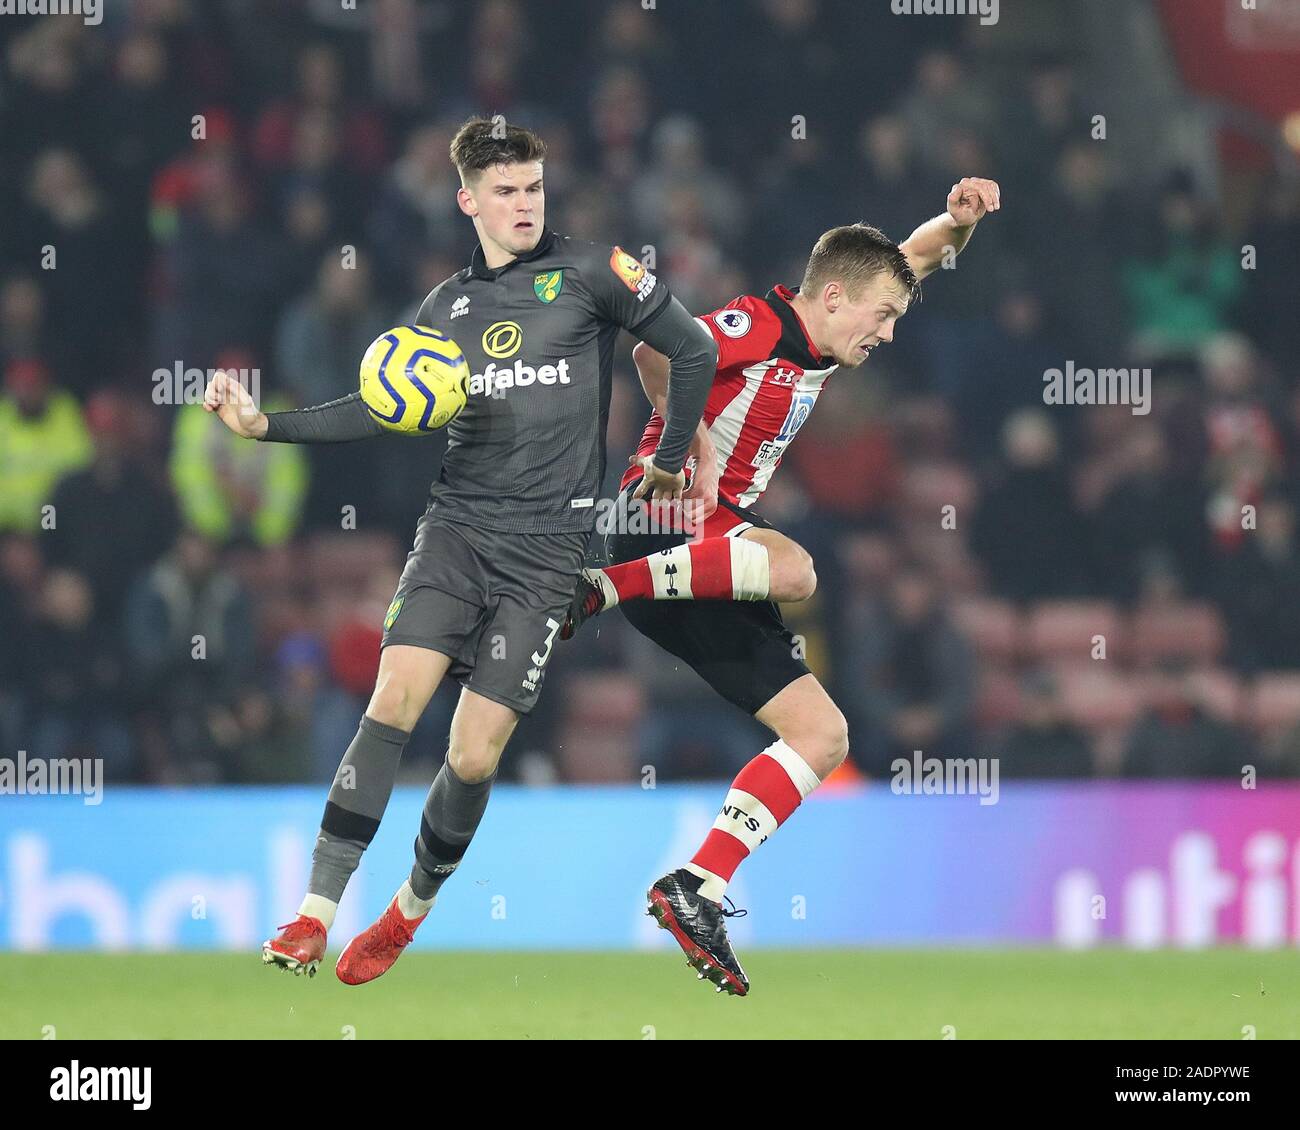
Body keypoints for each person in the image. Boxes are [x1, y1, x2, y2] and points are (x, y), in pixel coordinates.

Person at [203, 118, 716, 982]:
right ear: (467, 200)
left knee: (474, 754)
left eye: (534, 189)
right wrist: (265, 428)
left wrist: (669, 460)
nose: (523, 205)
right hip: (458, 532)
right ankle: (312, 914)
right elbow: (378, 406)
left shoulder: (594, 273)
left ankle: (405, 912)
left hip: (550, 553)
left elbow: (693, 347)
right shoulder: (445, 310)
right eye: (506, 192)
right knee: (394, 696)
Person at [563, 178, 1001, 995]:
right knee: (802, 569)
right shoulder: (758, 323)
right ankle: (600, 587)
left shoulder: (822, 334)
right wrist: (682, 443)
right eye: (882, 318)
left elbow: (912, 258)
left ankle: (696, 887)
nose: (890, 334)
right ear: (834, 299)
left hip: (711, 557)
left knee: (822, 735)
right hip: (659, 518)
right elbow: (657, 350)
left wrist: (959, 224)